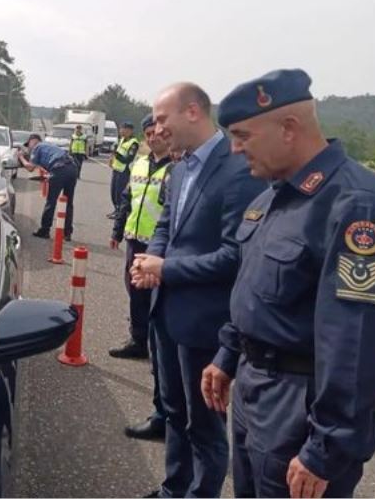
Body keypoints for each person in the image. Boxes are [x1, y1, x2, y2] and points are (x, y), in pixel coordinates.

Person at [201, 69, 375, 498]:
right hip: (256, 390)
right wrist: (228, 354)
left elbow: (353, 342)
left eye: (242, 135)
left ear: (288, 128)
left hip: (301, 409)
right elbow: (255, 290)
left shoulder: (355, 205)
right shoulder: (272, 196)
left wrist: (325, 448)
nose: (235, 149)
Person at [129, 83, 267, 498]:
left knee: (204, 425)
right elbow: (166, 226)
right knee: (173, 411)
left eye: (162, 118)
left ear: (193, 112)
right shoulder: (180, 169)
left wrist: (167, 268)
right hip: (166, 313)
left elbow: (234, 255)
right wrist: (150, 264)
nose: (156, 127)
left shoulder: (238, 170)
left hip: (206, 323)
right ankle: (174, 487)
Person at [110, 113, 172, 441]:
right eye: (150, 133)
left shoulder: (176, 169)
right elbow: (127, 200)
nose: (154, 137)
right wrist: (118, 230)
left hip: (160, 250)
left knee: (154, 301)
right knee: (133, 292)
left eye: (157, 132)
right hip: (136, 239)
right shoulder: (138, 164)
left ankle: (154, 346)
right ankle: (138, 340)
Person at [19, 133, 77, 241]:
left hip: (59, 169)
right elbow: (48, 162)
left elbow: (30, 168)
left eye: (29, 144)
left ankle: (45, 230)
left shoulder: (38, 147)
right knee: (68, 202)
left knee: (51, 201)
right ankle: (67, 233)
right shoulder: (49, 145)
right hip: (72, 168)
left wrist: (21, 157)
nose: (29, 148)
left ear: (33, 141)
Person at [108, 121, 140, 218]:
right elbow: (116, 152)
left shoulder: (133, 143)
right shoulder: (122, 140)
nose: (121, 131)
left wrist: (116, 155)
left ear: (129, 131)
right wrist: (112, 159)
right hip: (116, 169)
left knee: (120, 193)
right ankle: (116, 209)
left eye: (123, 129)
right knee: (113, 192)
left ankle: (120, 213)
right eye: (120, 129)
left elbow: (127, 159)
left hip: (124, 171)